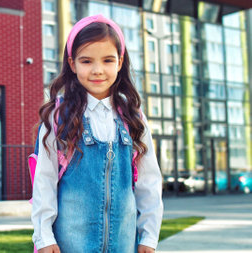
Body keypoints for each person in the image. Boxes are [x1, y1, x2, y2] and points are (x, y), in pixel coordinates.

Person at [31, 14, 163, 253]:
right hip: (71, 245)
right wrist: (43, 237)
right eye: (86, 61)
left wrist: (149, 237)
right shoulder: (59, 117)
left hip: (123, 245)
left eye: (108, 60)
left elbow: (149, 183)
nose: (98, 70)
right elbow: (44, 181)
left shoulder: (133, 118)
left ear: (120, 62)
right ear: (72, 64)